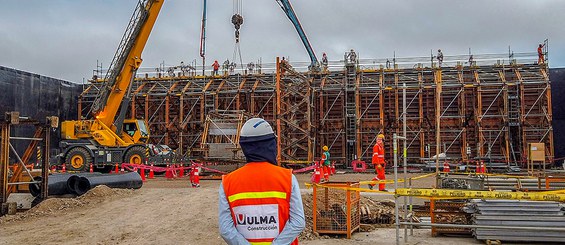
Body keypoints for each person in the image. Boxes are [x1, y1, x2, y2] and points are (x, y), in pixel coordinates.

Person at [219, 118, 305, 245]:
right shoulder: (287, 178)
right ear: (271, 145)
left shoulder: (228, 182)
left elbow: (226, 229)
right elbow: (298, 222)